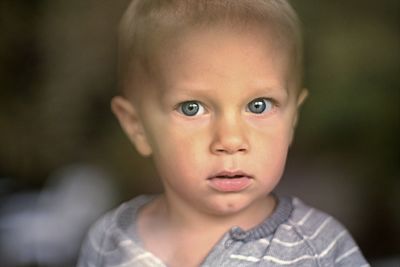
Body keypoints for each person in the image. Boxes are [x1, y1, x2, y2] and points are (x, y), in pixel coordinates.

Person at [77, 0, 369, 266]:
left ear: (293, 117)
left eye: (259, 105)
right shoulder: (108, 241)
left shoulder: (320, 249)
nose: (230, 140)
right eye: (192, 108)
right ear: (137, 127)